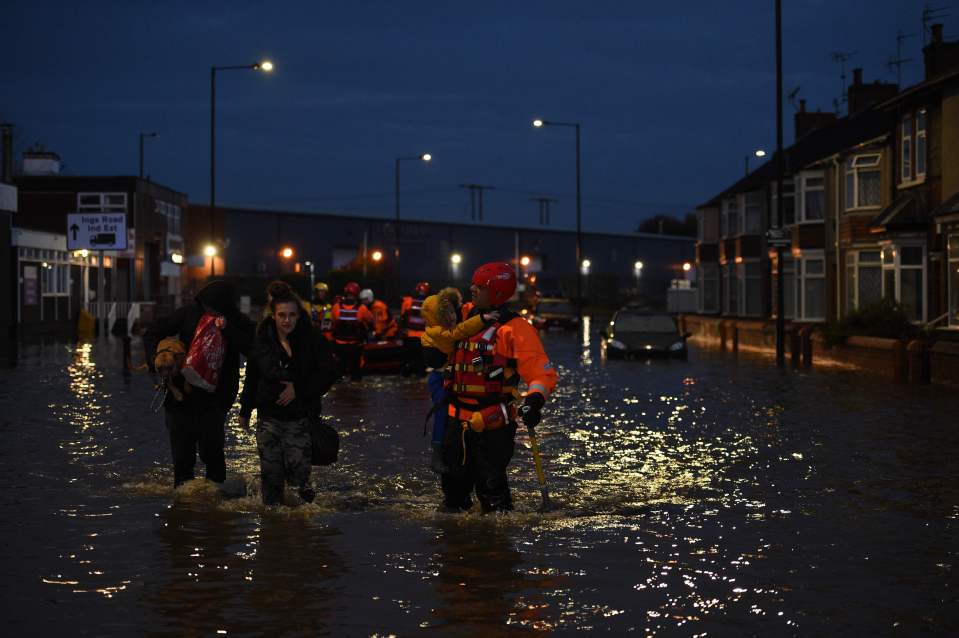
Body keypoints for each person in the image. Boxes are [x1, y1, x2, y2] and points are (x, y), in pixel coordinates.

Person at [440, 262, 558, 513]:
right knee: (452, 492)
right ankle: (455, 546)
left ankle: (496, 543)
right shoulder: (460, 317)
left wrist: (534, 402)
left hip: (493, 423)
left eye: (479, 287)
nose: (471, 289)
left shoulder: (516, 329)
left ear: (496, 293)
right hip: (455, 421)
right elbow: (435, 331)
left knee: (491, 491)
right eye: (472, 284)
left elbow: (541, 372)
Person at [144, 280, 255, 487]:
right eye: (207, 307)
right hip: (180, 399)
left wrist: (228, 329)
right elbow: (152, 332)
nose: (209, 312)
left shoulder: (236, 321)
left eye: (214, 309)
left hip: (214, 401)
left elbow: (252, 349)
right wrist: (155, 362)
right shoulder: (188, 313)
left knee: (211, 454)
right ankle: (185, 507)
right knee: (181, 459)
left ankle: (215, 506)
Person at [239, 287, 337, 505]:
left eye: (292, 315)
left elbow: (329, 373)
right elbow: (252, 377)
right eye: (282, 315)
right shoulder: (262, 340)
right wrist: (245, 411)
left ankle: (300, 530)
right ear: (273, 315)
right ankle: (274, 530)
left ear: (299, 316)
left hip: (300, 417)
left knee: (299, 481)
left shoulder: (312, 340)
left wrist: (298, 389)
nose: (287, 320)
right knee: (271, 478)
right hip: (269, 417)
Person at [420, 287, 499, 474]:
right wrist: (482, 319)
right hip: (440, 379)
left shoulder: (437, 328)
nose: (454, 316)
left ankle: (449, 452)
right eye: (449, 313)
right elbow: (460, 331)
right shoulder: (440, 332)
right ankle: (436, 454)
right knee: (441, 415)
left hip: (448, 378)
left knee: (450, 417)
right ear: (440, 316)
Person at [330, 281, 374, 380]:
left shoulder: (336, 307)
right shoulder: (362, 308)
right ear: (357, 294)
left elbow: (332, 324)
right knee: (356, 375)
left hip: (339, 346)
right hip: (355, 346)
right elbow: (371, 321)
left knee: (338, 375)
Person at [400, 281, 430, 376]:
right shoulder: (430, 304)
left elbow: (403, 317)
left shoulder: (408, 301)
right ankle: (419, 373)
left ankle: (407, 373)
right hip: (422, 336)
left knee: (407, 358)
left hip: (409, 335)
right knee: (420, 360)